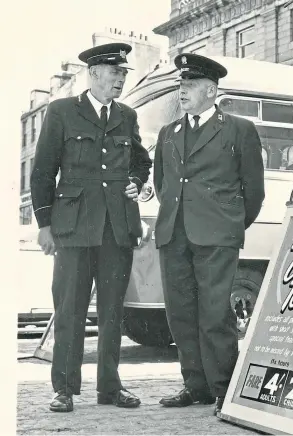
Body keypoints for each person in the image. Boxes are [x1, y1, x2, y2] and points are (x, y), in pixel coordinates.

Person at [30, 42, 152, 413]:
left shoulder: (127, 116)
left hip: (117, 227)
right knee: (70, 309)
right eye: (116, 73)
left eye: (124, 74)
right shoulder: (62, 111)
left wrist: (134, 179)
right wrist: (45, 224)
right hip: (73, 227)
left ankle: (110, 388)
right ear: (94, 73)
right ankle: (64, 389)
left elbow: (141, 161)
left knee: (113, 311)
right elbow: (42, 171)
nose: (121, 79)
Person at [154, 53, 265, 416]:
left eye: (189, 86)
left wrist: (229, 225)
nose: (182, 91)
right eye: (181, 86)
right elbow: (162, 184)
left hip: (217, 236)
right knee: (181, 314)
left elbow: (254, 191)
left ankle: (224, 388)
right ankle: (195, 386)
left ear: (210, 90)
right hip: (174, 234)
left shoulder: (238, 129)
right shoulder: (167, 133)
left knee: (216, 314)